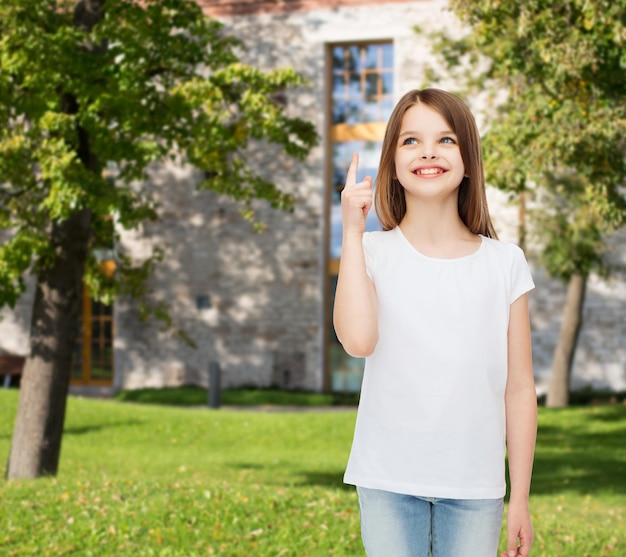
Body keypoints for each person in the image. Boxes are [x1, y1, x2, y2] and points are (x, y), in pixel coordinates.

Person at [333, 88, 537, 557]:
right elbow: (359, 340)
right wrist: (350, 229)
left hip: (474, 488)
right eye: (410, 141)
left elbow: (520, 388)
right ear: (392, 161)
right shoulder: (370, 252)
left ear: (468, 159)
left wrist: (519, 498)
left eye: (446, 139)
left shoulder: (505, 262)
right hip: (387, 480)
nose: (427, 151)